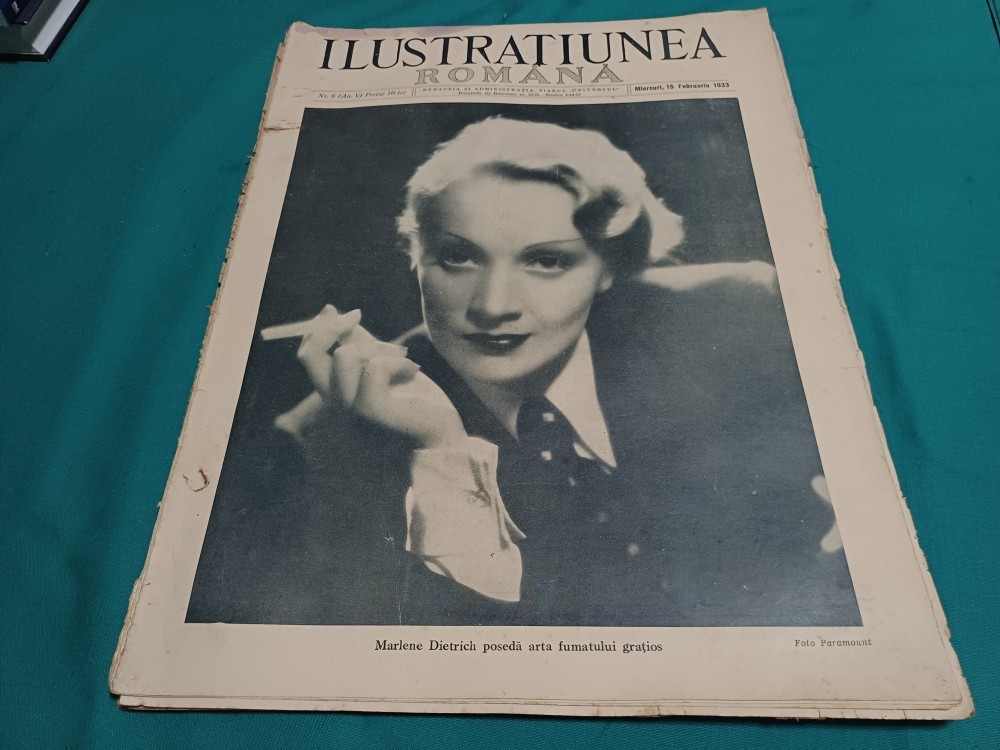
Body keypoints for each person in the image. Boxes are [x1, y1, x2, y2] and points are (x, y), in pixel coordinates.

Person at [187, 117, 860, 627]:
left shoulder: (749, 314)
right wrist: (441, 450)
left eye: (547, 261)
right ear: (416, 258)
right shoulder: (317, 445)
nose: (493, 306)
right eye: (458, 257)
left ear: (610, 268)